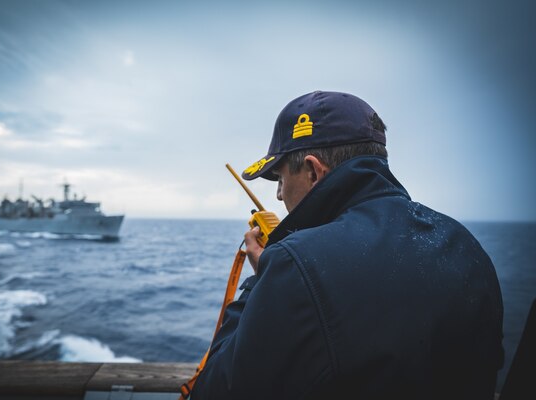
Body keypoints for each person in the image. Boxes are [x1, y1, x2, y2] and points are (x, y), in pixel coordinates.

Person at [190, 91, 504, 399]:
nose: (279, 196)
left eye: (281, 179)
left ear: (313, 171)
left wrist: (266, 276)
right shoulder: (465, 245)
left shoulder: (296, 265)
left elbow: (214, 391)